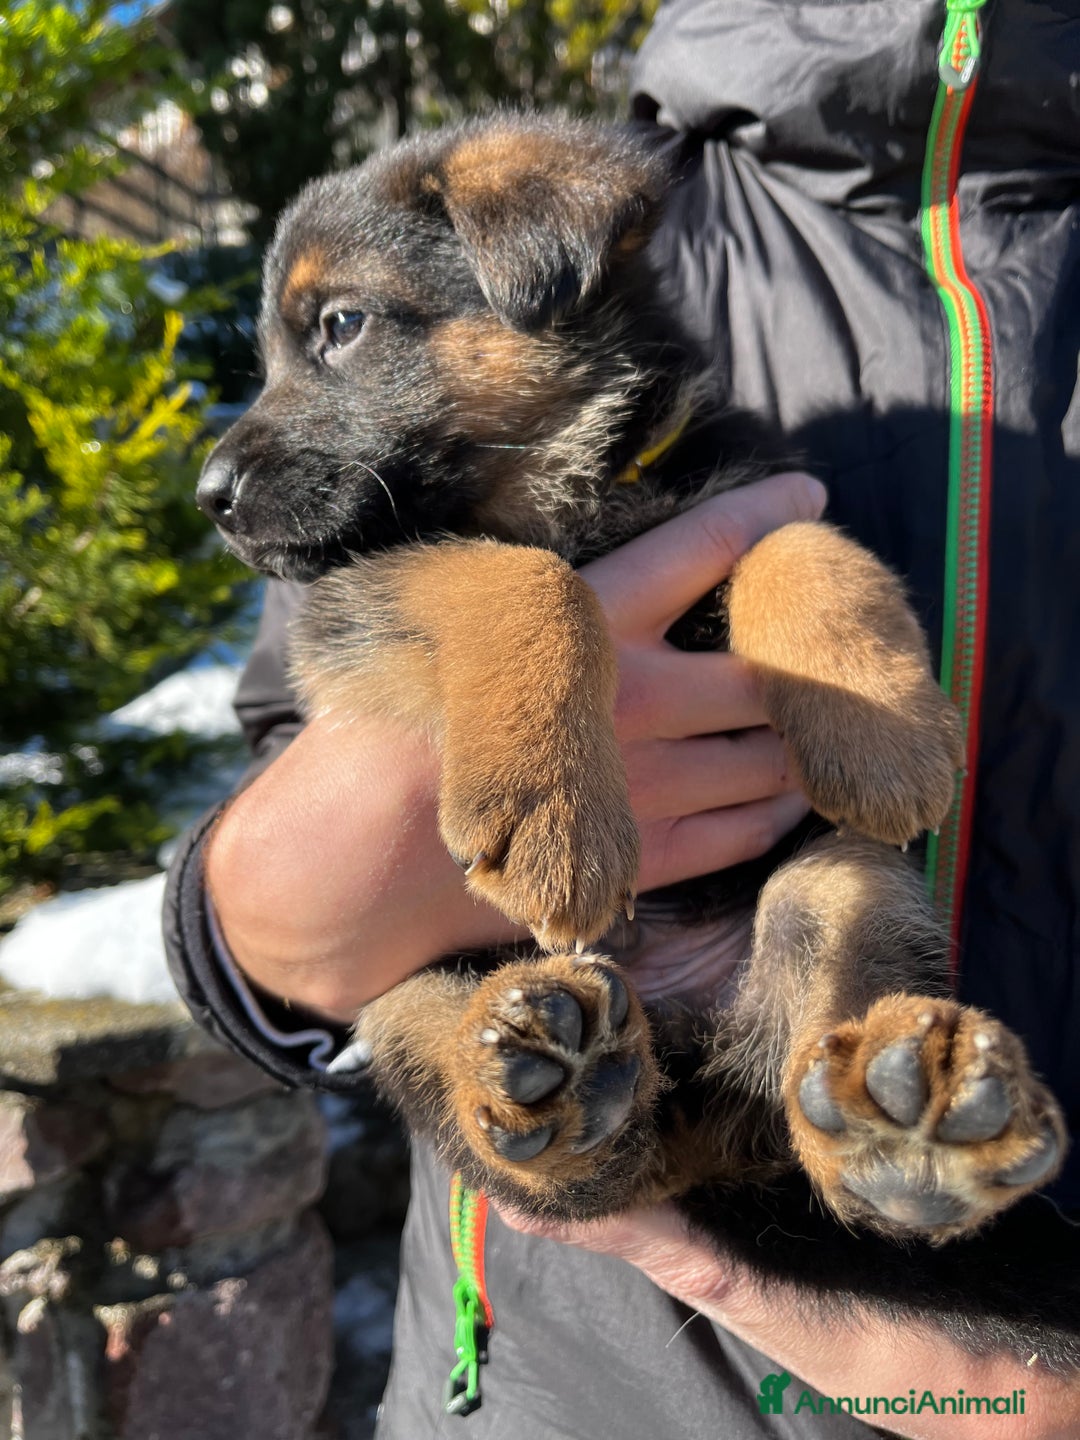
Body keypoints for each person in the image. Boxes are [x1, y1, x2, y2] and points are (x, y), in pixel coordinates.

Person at [164, 0, 1080, 1434]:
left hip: (796, 1063)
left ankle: (881, 1110)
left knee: (842, 883)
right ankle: (540, 1096)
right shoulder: (408, 522)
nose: (254, 438)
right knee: (437, 1012)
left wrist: (815, 616)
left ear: (546, 270)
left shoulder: (551, 226)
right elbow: (297, 786)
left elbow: (773, 546)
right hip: (562, 1370)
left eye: (339, 331)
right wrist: (278, 904)